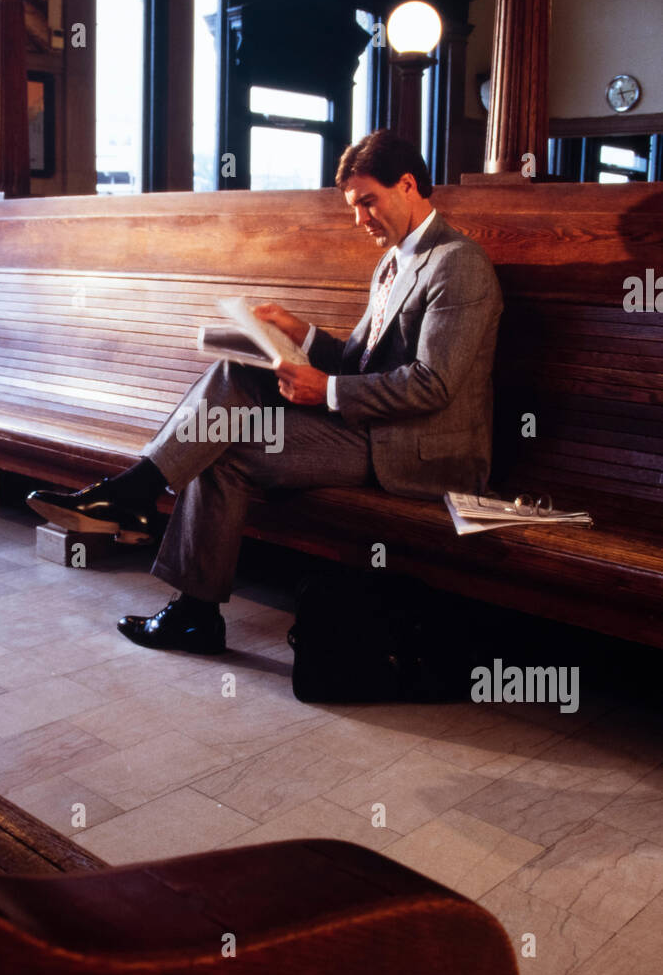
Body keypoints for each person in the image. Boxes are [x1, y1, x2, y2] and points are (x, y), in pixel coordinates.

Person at [26, 130, 504, 655]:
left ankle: (170, 567)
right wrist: (300, 334)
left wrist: (326, 390)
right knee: (236, 380)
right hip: (373, 427)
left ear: (408, 185)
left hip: (418, 449)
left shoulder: (457, 263)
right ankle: (150, 523)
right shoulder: (393, 261)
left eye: (367, 202)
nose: (359, 219)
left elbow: (432, 385)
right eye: (353, 207)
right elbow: (362, 362)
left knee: (223, 449)